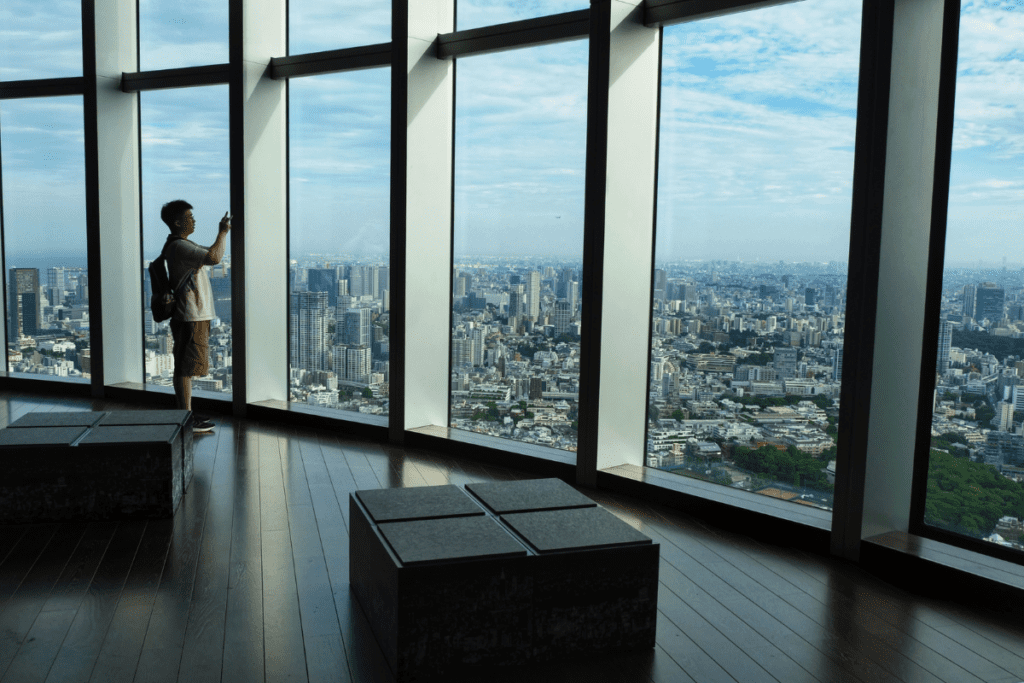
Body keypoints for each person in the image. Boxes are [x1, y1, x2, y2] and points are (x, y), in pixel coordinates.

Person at [161, 200, 231, 433]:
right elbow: (214, 257)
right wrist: (223, 232)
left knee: (186, 366)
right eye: (190, 217)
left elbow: (209, 256)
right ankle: (185, 417)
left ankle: (186, 413)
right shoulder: (179, 246)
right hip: (190, 314)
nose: (194, 220)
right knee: (185, 367)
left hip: (191, 314)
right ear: (178, 222)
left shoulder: (179, 245)